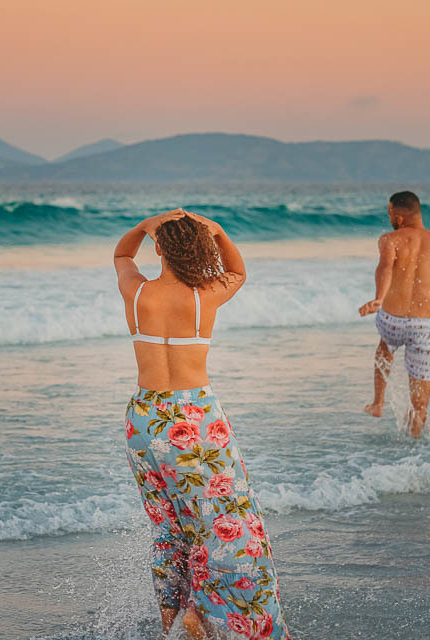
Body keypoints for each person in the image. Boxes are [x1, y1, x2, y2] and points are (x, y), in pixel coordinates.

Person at [114, 209, 292, 640]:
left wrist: (145, 225)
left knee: (167, 524)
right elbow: (238, 270)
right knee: (224, 517)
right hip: (195, 419)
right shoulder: (204, 295)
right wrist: (219, 230)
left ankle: (172, 622)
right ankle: (203, 612)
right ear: (197, 249)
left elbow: (122, 254)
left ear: (159, 248)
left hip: (145, 418)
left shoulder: (137, 293)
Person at [358, 191, 430, 438]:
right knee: (420, 406)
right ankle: (414, 445)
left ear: (397, 217)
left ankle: (378, 402)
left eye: (389, 213)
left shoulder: (390, 239)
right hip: (425, 326)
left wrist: (379, 298)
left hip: (392, 321)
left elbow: (385, 267)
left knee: (385, 347)